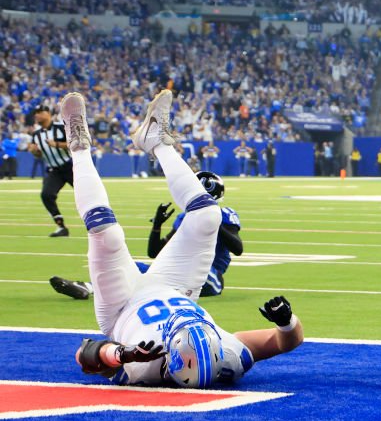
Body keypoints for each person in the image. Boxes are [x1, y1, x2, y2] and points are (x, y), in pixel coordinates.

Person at [59, 90, 302, 387]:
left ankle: (78, 147)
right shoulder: (227, 356)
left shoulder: (144, 369)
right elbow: (283, 342)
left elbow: (85, 355)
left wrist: (118, 354)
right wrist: (286, 322)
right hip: (178, 288)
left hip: (122, 306)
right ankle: (156, 141)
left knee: (106, 234)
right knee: (208, 216)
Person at [50, 171, 242, 300]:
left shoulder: (224, 215)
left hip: (210, 276)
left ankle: (151, 289)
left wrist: (211, 219)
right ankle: (88, 288)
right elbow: (155, 253)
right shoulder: (184, 218)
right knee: (130, 267)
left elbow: (238, 248)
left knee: (160, 283)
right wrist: (157, 226)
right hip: (179, 275)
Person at [27, 105, 74, 236]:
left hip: (70, 167)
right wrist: (34, 152)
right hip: (54, 169)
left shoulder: (61, 127)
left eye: (40, 112)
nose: (37, 115)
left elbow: (75, 143)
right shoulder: (36, 135)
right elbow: (39, 154)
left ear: (48, 113)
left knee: (85, 195)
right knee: (46, 195)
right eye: (35, 113)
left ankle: (99, 224)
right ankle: (61, 227)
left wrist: (58, 144)